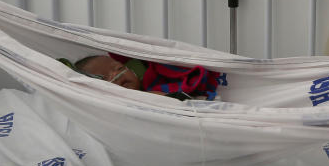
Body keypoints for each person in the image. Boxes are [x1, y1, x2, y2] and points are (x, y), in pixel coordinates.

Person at [59, 53, 223, 100]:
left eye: (118, 68)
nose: (115, 75)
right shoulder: (107, 102)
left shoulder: (149, 82)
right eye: (104, 77)